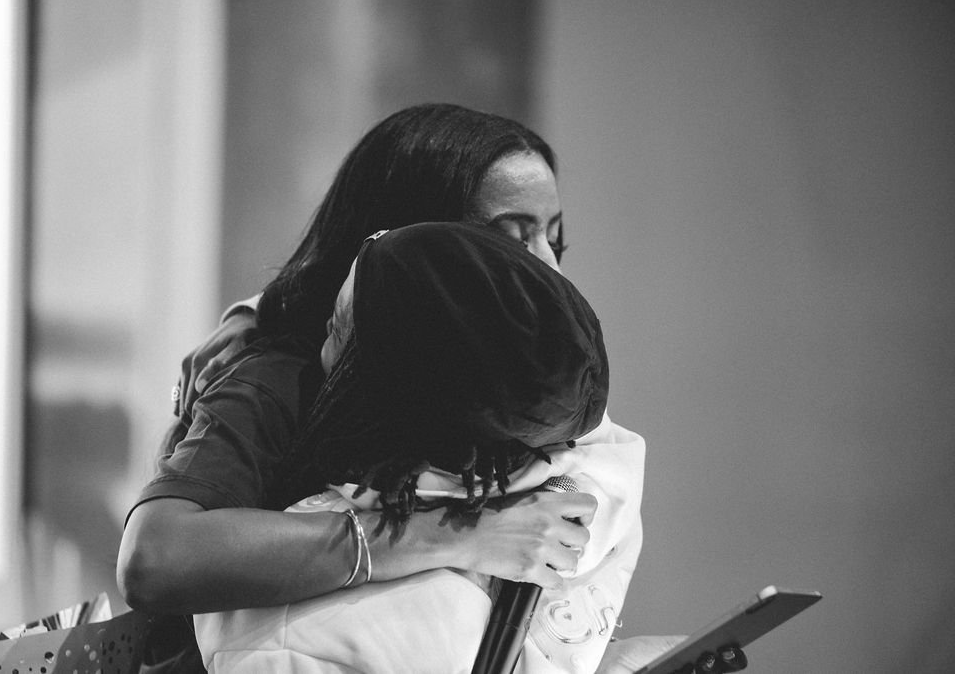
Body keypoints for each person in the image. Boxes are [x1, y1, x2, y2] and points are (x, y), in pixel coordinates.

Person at [117, 103, 743, 674]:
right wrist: (453, 531)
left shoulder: (517, 391)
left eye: (554, 237)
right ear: (408, 237)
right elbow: (158, 559)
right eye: (512, 235)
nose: (547, 268)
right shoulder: (285, 375)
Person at [194, 221, 618, 671]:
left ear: (374, 395)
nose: (318, 347)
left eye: (337, 331)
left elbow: (160, 564)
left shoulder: (286, 625)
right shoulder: (587, 476)